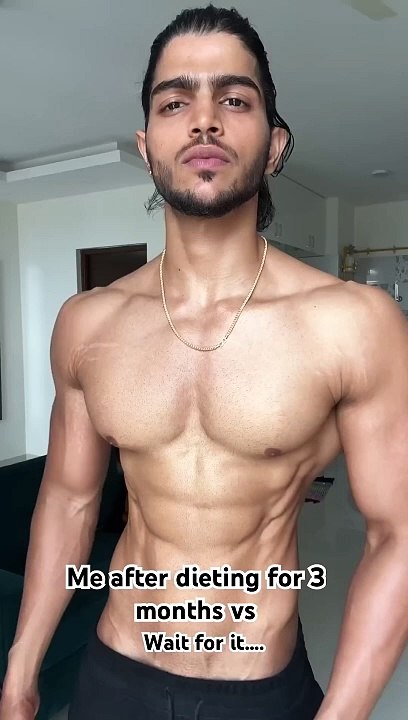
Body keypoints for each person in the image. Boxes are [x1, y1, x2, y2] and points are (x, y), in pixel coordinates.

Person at [1, 4, 408, 719]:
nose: (204, 121)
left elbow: (397, 535)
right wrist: (20, 671)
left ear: (274, 145)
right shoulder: (88, 322)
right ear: (146, 144)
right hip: (112, 674)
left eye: (235, 99)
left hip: (259, 689)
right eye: (174, 102)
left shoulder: (355, 324)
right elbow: (67, 500)